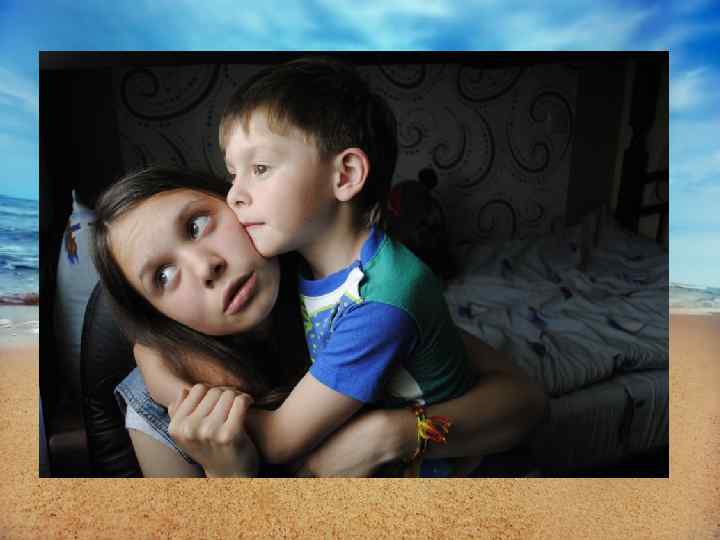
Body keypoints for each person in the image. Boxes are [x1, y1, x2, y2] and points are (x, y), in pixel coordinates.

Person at [125, 57, 541, 475]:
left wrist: (175, 393)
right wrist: (149, 353)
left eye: (260, 169)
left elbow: (277, 439)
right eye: (234, 175)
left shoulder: (381, 299)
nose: (235, 195)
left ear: (345, 175)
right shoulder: (310, 267)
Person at [93, 168, 547, 477]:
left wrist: (392, 434)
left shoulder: (346, 297)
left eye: (196, 225)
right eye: (163, 276)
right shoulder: (154, 413)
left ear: (236, 202)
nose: (205, 266)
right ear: (159, 317)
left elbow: (524, 402)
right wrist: (229, 480)